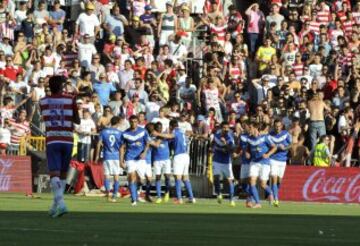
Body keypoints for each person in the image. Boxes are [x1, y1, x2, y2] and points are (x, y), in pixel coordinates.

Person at [39, 75, 80, 217]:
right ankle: (55, 206)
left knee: (54, 173)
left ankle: (60, 204)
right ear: (62, 86)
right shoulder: (70, 99)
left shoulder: (43, 101)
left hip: (52, 139)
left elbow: (45, 117)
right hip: (68, 139)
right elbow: (78, 120)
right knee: (62, 173)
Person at [153, 119, 195, 204]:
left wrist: (158, 134)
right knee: (185, 177)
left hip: (179, 156)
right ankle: (191, 198)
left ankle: (179, 199)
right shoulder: (182, 131)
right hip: (186, 155)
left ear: (171, 126)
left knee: (178, 177)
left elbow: (170, 136)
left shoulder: (175, 132)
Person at [120, 115, 149, 206]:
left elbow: (148, 143)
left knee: (141, 180)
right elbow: (121, 147)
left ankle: (135, 193)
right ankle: (133, 199)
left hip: (140, 159)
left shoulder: (143, 131)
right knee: (132, 177)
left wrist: (144, 153)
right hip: (130, 158)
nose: (133, 123)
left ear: (138, 122)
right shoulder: (124, 133)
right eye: (132, 121)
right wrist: (121, 160)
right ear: (129, 122)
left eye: (135, 121)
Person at [246, 122, 276, 208]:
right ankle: (258, 203)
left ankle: (270, 193)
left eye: (250, 127)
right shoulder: (249, 139)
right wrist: (247, 153)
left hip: (264, 163)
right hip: (254, 162)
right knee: (252, 181)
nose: (249, 129)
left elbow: (274, 147)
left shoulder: (265, 137)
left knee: (263, 184)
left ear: (255, 128)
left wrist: (268, 154)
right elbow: (248, 149)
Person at [95, 116, 123, 202]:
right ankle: (114, 195)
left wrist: (97, 156)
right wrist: (122, 159)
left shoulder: (104, 132)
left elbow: (99, 144)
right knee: (116, 177)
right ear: (118, 123)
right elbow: (122, 147)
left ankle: (108, 195)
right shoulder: (120, 133)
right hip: (116, 156)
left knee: (106, 176)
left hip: (107, 156)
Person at [211, 121, 236, 206]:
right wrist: (211, 149)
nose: (226, 129)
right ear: (221, 128)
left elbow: (232, 150)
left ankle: (231, 199)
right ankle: (219, 194)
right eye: (224, 128)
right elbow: (212, 144)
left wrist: (225, 143)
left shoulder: (230, 138)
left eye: (227, 128)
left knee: (230, 180)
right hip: (217, 160)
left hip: (226, 162)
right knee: (216, 177)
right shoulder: (216, 135)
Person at [269, 120, 292, 207]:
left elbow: (291, 145)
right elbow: (267, 145)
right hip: (273, 159)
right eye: (276, 126)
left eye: (279, 126)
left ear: (282, 126)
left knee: (280, 180)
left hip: (283, 160)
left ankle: (273, 193)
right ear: (273, 126)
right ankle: (276, 199)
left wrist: (285, 148)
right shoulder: (270, 135)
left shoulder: (286, 134)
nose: (277, 128)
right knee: (274, 179)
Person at [152, 122, 171, 204]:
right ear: (156, 128)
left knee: (167, 177)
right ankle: (159, 196)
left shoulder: (165, 135)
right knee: (158, 177)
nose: (160, 129)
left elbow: (170, 137)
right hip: (157, 159)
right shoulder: (153, 136)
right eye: (158, 127)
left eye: (161, 127)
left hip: (166, 159)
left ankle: (167, 192)